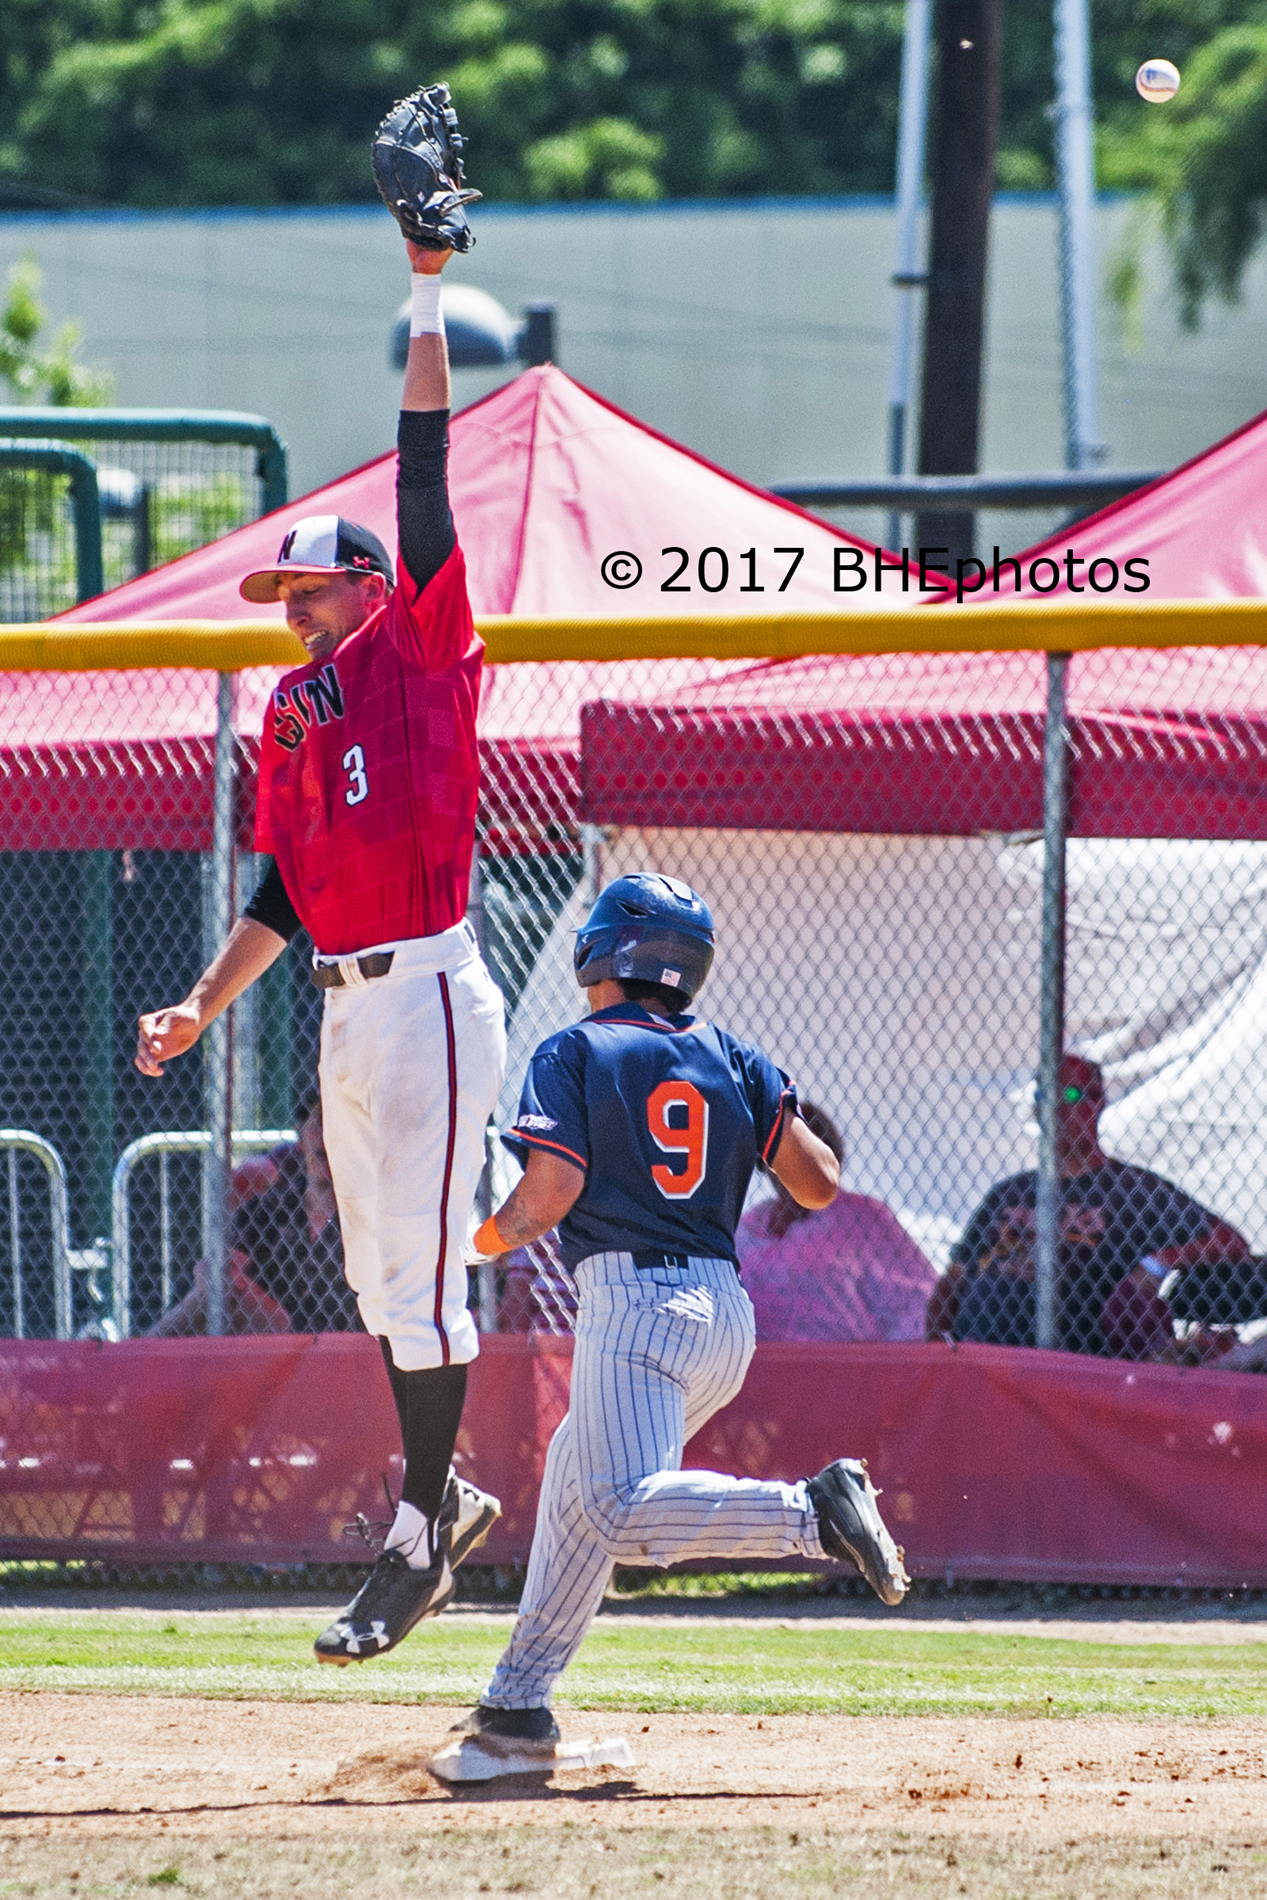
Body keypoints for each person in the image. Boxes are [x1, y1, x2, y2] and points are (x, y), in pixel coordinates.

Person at [134, 91, 504, 1664]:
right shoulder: (294, 716)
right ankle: (443, 1504)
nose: (289, 611)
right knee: (376, 1280)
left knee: (421, 1281)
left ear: (367, 588)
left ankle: (420, 1535)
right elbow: (285, 887)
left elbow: (423, 477)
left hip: (428, 994)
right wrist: (201, 1006)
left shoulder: (416, 650)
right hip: (347, 1013)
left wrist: (422, 285)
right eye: (280, 596)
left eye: (306, 589)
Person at [429, 874, 909, 1783]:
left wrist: (474, 1244)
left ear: (599, 952)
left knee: (617, 1507)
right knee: (578, 1480)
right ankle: (517, 1705)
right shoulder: (732, 1053)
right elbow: (818, 1184)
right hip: (725, 1318)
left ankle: (813, 1513)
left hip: (634, 1302)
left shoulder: (574, 1048)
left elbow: (550, 1194)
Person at [927, 1055, 1249, 1355]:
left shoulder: (1133, 1190)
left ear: (1098, 1102)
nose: (1056, 1108)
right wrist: (935, 1352)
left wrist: (1157, 1263)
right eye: (1044, 1096)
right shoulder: (1008, 1192)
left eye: (1070, 1095)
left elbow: (1230, 1241)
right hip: (977, 1356)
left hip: (1071, 1362)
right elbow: (951, 1283)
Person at [147, 1098, 362, 1339]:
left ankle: (139, 1352)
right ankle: (141, 1353)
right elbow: (224, 1265)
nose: (329, 1133)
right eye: (320, 1121)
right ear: (301, 1137)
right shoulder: (270, 1208)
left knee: (223, 1288)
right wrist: (215, 1272)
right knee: (217, 1284)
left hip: (342, 1339)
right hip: (269, 1339)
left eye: (339, 1122)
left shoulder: (369, 1216)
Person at [737, 1103, 935, 1341]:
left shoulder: (863, 1217)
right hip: (753, 1359)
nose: (795, 1165)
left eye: (807, 1154)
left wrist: (891, 1360)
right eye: (783, 1153)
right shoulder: (747, 1226)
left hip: (844, 1360)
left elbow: (918, 1299)